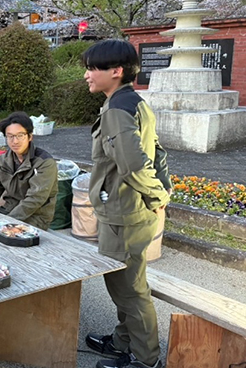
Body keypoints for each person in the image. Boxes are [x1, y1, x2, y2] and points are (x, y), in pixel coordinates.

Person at [82, 40, 171, 368]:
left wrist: (158, 195)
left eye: (93, 68)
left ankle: (146, 359)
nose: (87, 75)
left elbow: (133, 164)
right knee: (126, 284)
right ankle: (123, 342)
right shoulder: (134, 102)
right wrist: (162, 190)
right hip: (129, 210)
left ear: (116, 71)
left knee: (129, 290)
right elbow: (157, 152)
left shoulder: (118, 110)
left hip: (125, 214)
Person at [0, 112, 58, 230]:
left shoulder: (44, 163)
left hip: (35, 217)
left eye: (20, 135)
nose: (15, 141)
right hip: (8, 210)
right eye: (10, 136)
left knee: (1, 234)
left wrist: (7, 222)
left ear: (30, 136)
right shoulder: (3, 160)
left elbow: (34, 199)